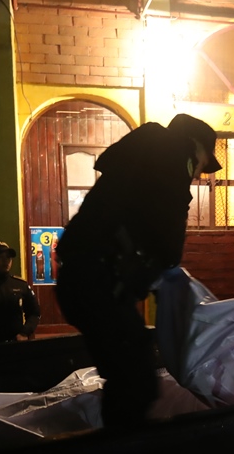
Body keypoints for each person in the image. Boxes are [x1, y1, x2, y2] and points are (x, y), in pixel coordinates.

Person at [55, 114, 221, 427]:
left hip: (84, 279)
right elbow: (169, 232)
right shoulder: (173, 156)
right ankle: (123, 451)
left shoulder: (142, 159)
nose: (199, 173)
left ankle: (120, 445)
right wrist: (167, 263)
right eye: (203, 163)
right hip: (99, 281)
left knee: (130, 374)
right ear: (196, 147)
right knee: (135, 381)